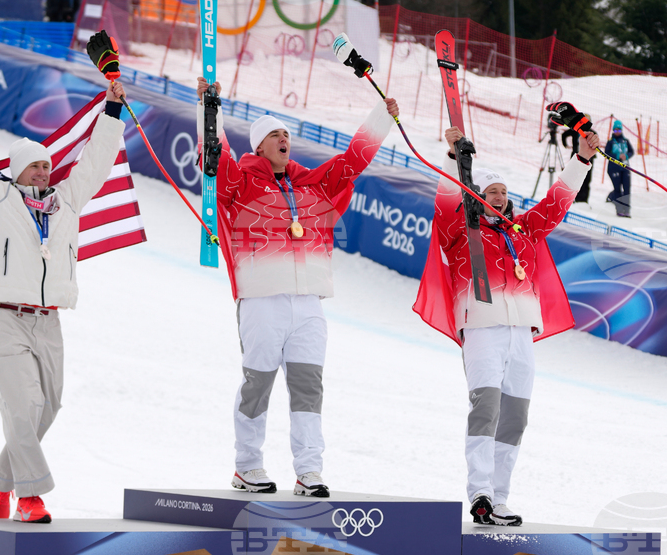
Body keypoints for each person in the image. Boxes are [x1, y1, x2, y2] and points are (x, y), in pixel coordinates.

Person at [0, 72, 128, 523]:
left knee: (48, 407)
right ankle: (30, 497)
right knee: (25, 405)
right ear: (18, 171)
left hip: (49, 321)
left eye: (46, 165)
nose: (44, 171)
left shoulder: (66, 203)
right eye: (34, 166)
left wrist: (113, 112)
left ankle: (0, 480)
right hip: (5, 319)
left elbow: (95, 163)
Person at [196, 76, 396, 498]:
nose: (284, 138)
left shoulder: (313, 185)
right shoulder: (243, 183)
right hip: (262, 300)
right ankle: (247, 466)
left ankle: (310, 471)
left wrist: (381, 119)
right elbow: (215, 155)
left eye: (286, 133)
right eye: (274, 134)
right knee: (258, 384)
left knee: (309, 388)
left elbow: (350, 163)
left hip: (309, 305)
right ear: (259, 147)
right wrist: (207, 105)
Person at [414, 121, 599, 526]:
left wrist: (582, 158)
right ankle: (479, 490)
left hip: (522, 336)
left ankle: (499, 498)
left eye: (504, 193)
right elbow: (446, 203)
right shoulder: (462, 231)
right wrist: (454, 158)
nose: (500, 197)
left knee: (515, 417)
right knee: (487, 408)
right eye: (491, 192)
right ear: (477, 197)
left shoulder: (526, 231)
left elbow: (556, 201)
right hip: (482, 328)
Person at [559, 115, 593, 204]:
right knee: (573, 177)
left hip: (587, 159)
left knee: (586, 179)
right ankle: (572, 198)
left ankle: (583, 200)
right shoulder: (576, 130)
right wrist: (565, 144)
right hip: (576, 156)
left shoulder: (592, 133)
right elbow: (564, 134)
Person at [604, 119, 634, 217]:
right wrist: (617, 156)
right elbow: (606, 153)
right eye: (616, 130)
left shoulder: (625, 141)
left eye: (619, 130)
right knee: (617, 189)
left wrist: (626, 155)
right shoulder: (611, 141)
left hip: (625, 168)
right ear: (613, 130)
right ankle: (619, 209)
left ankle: (627, 209)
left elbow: (631, 151)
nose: (617, 132)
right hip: (614, 168)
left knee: (626, 189)